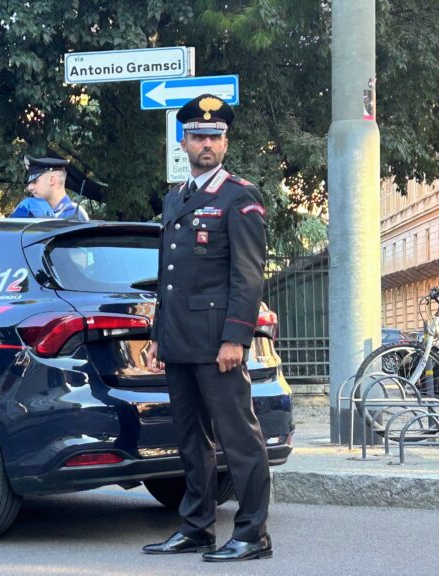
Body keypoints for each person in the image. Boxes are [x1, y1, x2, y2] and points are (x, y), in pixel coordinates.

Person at [143, 94, 272, 562]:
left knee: (239, 437)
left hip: (219, 342)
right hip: (179, 339)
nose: (206, 145)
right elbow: (169, 277)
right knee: (191, 440)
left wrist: (236, 337)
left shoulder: (240, 196)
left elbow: (248, 275)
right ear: (183, 140)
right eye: (198, 136)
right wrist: (158, 335)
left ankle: (252, 533)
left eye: (214, 137)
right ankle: (197, 526)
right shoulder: (177, 196)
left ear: (225, 141)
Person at [10, 156, 90, 221]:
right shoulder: (31, 211)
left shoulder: (73, 213)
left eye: (34, 181)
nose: (29, 187)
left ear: (52, 180)